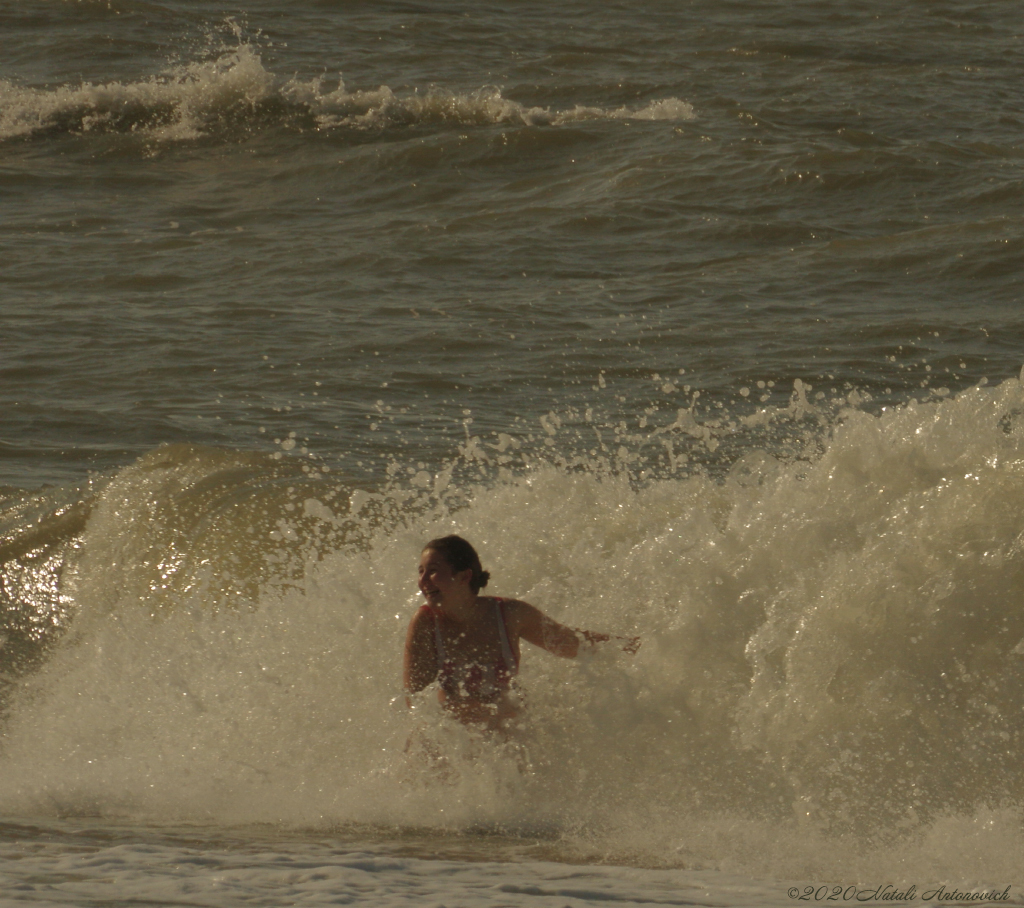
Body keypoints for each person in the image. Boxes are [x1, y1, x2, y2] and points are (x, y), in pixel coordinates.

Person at [403, 534, 640, 731]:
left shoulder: (509, 615)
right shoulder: (426, 623)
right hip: (456, 744)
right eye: (420, 571)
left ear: (465, 576)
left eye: (432, 571)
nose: (422, 581)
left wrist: (632, 646)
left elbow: (571, 644)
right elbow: (416, 702)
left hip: (510, 740)